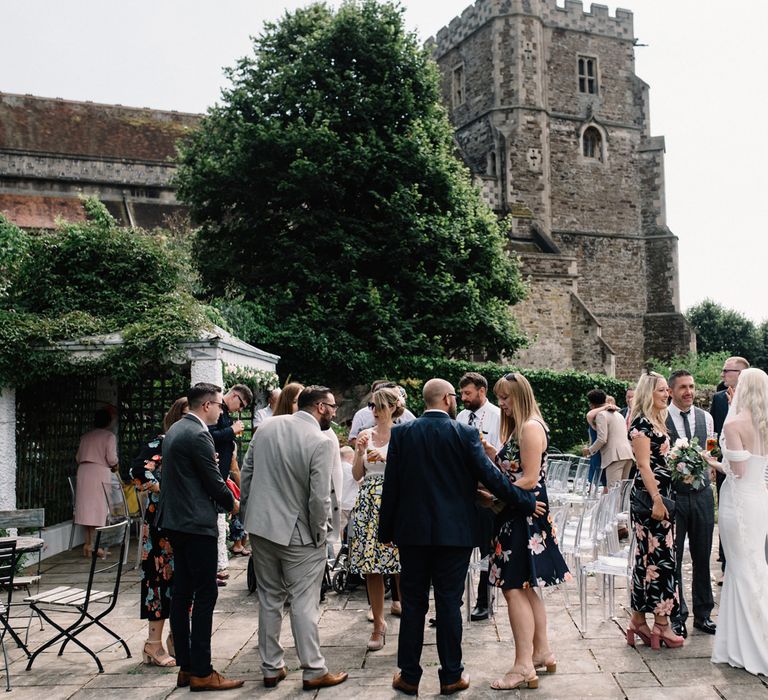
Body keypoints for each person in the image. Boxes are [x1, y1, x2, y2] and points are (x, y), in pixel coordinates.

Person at [379, 378, 545, 697]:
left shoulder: (402, 434)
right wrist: (525, 501)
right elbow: (491, 477)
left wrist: (386, 532)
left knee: (413, 604)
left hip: (411, 534)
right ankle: (451, 676)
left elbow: (393, 487)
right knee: (449, 604)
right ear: (447, 399)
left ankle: (409, 676)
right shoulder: (463, 433)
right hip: (454, 534)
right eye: (454, 396)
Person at [239, 386, 348, 691]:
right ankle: (313, 669)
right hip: (299, 534)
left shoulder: (266, 428)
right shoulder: (321, 441)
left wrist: (247, 518)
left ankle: (271, 667)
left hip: (261, 528)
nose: (335, 412)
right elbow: (318, 498)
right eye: (333, 406)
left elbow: (247, 474)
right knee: (304, 602)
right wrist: (320, 533)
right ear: (320, 407)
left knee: (269, 598)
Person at [485, 372, 570, 690]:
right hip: (518, 511)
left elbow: (530, 478)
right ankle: (542, 652)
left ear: (521, 396)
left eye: (506, 397)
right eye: (499, 397)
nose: (501, 403)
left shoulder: (531, 427)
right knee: (523, 585)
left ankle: (522, 667)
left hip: (524, 514)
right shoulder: (523, 428)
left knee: (512, 587)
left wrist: (492, 497)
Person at [156, 383, 243, 692]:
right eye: (219, 405)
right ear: (206, 405)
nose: (222, 410)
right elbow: (212, 482)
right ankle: (203, 671)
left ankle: (187, 668)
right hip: (196, 523)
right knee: (206, 594)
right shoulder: (198, 435)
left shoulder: (177, 429)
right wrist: (234, 503)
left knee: (181, 594)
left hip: (175, 521)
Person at [708, 368, 768, 676]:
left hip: (739, 501)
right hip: (760, 501)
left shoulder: (734, 422)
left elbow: (738, 471)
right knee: (756, 564)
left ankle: (751, 645)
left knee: (741, 569)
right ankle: (736, 642)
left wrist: (712, 461)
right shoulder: (764, 423)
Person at [625, 371, 683, 650]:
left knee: (649, 559)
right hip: (651, 501)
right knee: (660, 561)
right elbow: (644, 466)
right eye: (661, 390)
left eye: (665, 390)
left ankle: (638, 620)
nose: (666, 394)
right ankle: (662, 625)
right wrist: (658, 500)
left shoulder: (655, 422)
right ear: (649, 393)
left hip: (660, 497)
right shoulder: (640, 426)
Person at [130, 396, 188, 667]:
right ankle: (153, 644)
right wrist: (161, 490)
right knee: (159, 582)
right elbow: (138, 471)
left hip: (184, 525)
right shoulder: (161, 441)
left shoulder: (192, 442)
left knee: (183, 584)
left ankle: (176, 639)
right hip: (160, 526)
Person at [349, 386, 403, 651]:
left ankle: (405, 609)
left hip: (395, 499)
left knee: (399, 561)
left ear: (392, 407)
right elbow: (357, 475)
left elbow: (408, 471)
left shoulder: (403, 434)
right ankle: (378, 623)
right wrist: (360, 453)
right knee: (371, 564)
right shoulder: (364, 435)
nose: (375, 411)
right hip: (369, 501)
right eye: (372, 406)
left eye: (380, 406)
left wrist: (388, 457)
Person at [664, 370, 716, 639]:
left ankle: (704, 613)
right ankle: (677, 614)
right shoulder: (662, 418)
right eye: (683, 387)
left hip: (703, 495)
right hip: (674, 496)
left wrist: (709, 463)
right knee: (673, 558)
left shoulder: (705, 417)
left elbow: (712, 448)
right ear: (671, 391)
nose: (689, 391)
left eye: (692, 386)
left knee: (703, 555)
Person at [456, 371, 501, 622]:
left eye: (468, 393)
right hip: (462, 489)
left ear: (482, 392)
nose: (463, 398)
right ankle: (455, 600)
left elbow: (501, 453)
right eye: (461, 393)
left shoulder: (496, 416)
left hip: (486, 488)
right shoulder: (461, 417)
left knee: (486, 548)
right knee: (459, 545)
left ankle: (485, 600)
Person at [209, 384, 253, 587]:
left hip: (221, 475)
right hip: (214, 476)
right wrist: (231, 430)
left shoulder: (224, 412)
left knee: (217, 524)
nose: (240, 409)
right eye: (241, 404)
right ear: (235, 396)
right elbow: (210, 436)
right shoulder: (219, 413)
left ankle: (213, 569)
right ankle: (210, 571)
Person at [710, 356, 750, 575]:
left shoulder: (755, 402)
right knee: (726, 516)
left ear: (741, 374)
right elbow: (715, 433)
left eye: (727, 371)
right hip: (723, 468)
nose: (723, 374)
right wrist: (713, 461)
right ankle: (726, 566)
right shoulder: (718, 399)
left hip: (749, 470)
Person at [75, 407, 119, 557]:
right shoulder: (109, 436)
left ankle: (88, 545)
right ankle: (96, 546)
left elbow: (78, 456)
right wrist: (116, 466)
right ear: (108, 421)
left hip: (84, 471)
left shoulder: (85, 436)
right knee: (99, 509)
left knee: (86, 509)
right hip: (99, 471)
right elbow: (112, 459)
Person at [585, 389, 634, 488]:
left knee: (613, 493)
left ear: (591, 405)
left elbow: (602, 439)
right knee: (623, 492)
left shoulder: (601, 415)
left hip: (615, 457)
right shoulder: (618, 414)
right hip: (628, 455)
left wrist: (589, 450)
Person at [349, 381, 416, 447]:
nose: (374, 410)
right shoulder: (362, 418)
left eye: (399, 395)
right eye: (372, 405)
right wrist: (364, 450)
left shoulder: (406, 424)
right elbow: (353, 438)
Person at [339, 446, 359, 536]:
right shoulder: (351, 469)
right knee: (351, 527)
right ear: (351, 457)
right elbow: (360, 479)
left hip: (339, 503)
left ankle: (341, 543)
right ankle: (347, 543)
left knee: (340, 527)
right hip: (350, 503)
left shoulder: (337, 468)